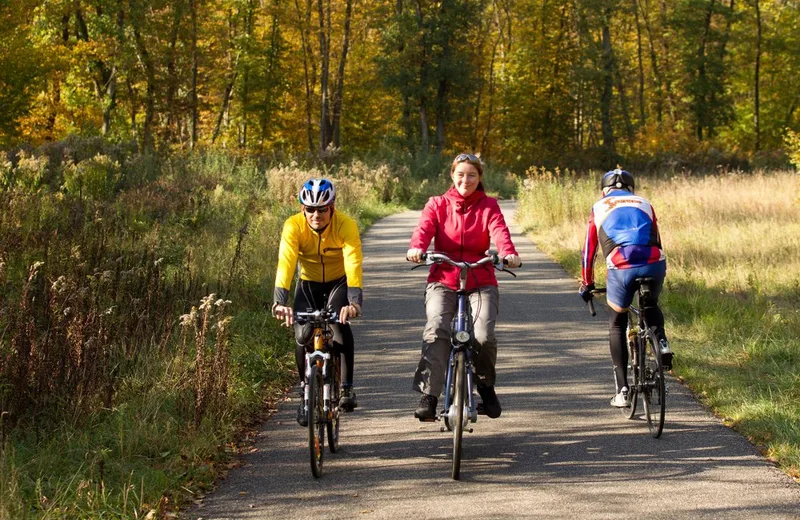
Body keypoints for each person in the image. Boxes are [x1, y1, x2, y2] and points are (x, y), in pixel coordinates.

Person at [406, 153, 521, 421]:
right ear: (452, 176)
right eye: (460, 174)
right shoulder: (437, 204)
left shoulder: (489, 205)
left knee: (482, 336)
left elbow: (500, 232)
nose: (465, 180)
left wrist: (508, 253)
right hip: (443, 279)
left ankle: (485, 387)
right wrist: (417, 248)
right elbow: (423, 229)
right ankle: (430, 396)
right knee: (436, 330)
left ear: (479, 178)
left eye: (471, 175)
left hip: (480, 279)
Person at [272, 178, 363, 426]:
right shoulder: (293, 226)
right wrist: (279, 301)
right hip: (308, 284)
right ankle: (305, 393)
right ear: (302, 209)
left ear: (332, 208)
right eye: (310, 209)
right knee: (302, 335)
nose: (316, 215)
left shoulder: (346, 225)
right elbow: (286, 262)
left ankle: (346, 388)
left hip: (338, 284)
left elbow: (353, 262)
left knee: (340, 326)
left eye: (322, 209)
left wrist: (353, 302)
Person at [579, 168, 673, 408]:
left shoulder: (599, 206)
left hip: (622, 265)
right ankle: (662, 342)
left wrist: (587, 283)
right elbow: (657, 238)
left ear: (604, 190)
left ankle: (622, 390)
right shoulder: (644, 203)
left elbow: (589, 252)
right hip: (654, 261)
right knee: (650, 304)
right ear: (632, 188)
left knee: (617, 322)